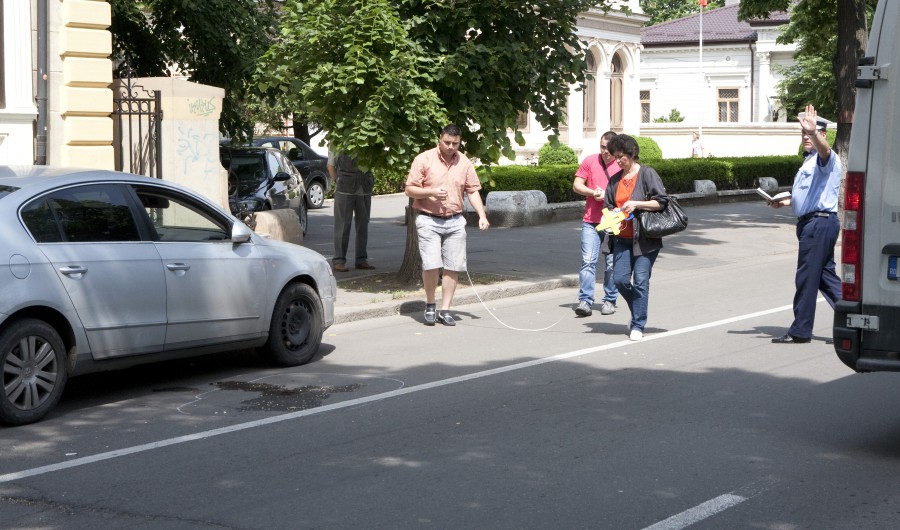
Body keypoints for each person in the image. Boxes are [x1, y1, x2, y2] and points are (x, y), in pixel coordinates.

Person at [768, 104, 842, 344]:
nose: (806, 137)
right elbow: (810, 196)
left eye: (811, 133)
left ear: (822, 134)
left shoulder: (825, 157)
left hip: (818, 224)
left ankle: (800, 330)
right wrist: (786, 201)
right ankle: (858, 317)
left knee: (807, 278)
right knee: (824, 277)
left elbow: (825, 151)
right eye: (803, 133)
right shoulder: (809, 161)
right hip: (816, 223)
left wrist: (813, 133)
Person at [405, 124, 490, 326]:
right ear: (439, 139)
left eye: (455, 143)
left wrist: (482, 215)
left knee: (453, 266)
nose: (451, 146)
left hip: (454, 220)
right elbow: (409, 189)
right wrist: (431, 192)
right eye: (447, 142)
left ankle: (446, 309)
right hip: (428, 219)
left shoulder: (464, 162)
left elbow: (472, 190)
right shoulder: (424, 159)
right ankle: (430, 304)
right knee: (432, 264)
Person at [602, 134, 668, 341]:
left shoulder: (647, 174)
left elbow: (662, 202)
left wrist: (637, 204)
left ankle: (638, 324)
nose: (617, 160)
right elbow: (608, 205)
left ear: (632, 154)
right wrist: (612, 213)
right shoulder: (614, 180)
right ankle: (637, 309)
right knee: (620, 280)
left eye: (621, 156)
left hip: (645, 239)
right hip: (621, 238)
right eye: (615, 156)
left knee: (640, 281)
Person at [572, 131, 620, 317]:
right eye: (602, 147)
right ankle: (585, 301)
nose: (605, 152)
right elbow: (577, 185)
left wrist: (609, 195)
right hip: (591, 221)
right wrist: (592, 192)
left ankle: (609, 300)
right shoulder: (590, 161)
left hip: (612, 221)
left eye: (609, 148)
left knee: (611, 264)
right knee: (588, 262)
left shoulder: (621, 163)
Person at [327, 151, 376, 272]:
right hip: (344, 190)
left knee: (363, 225)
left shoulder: (370, 140)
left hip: (364, 188)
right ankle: (339, 260)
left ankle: (361, 260)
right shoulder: (337, 140)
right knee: (342, 226)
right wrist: (338, 180)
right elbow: (330, 165)